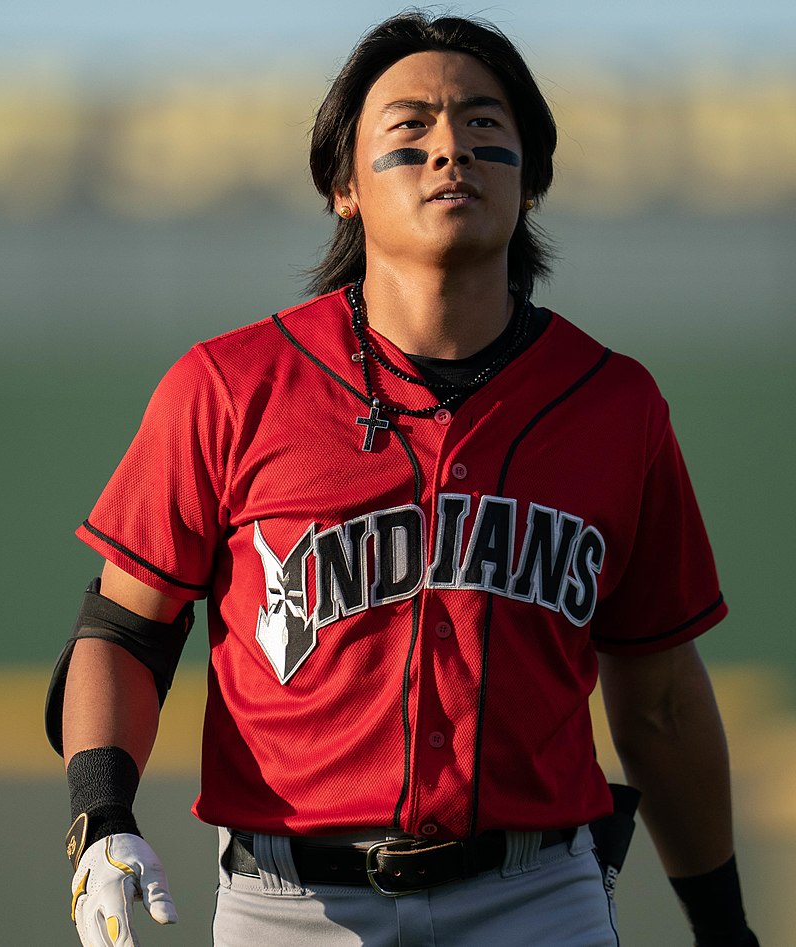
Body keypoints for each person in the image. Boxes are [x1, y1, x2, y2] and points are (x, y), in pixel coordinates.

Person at [47, 11, 759, 947]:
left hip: (537, 896)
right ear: (343, 185)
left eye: (484, 126)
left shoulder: (614, 404)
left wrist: (726, 928)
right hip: (290, 900)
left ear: (532, 178)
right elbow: (124, 632)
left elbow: (660, 696)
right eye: (409, 129)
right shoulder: (229, 385)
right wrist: (102, 814)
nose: (450, 149)